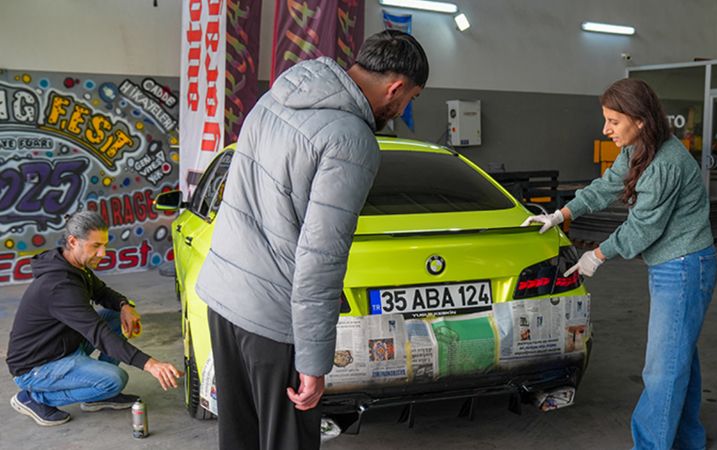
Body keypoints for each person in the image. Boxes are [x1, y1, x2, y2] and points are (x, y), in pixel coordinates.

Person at [195, 30, 428, 450]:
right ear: (396, 88)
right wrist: (314, 363)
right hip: (272, 317)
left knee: (239, 437)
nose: (402, 108)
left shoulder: (275, 98)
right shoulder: (351, 139)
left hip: (224, 302)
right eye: (410, 98)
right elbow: (321, 258)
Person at [523, 78, 717, 450]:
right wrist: (562, 213)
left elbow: (643, 228)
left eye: (613, 120)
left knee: (662, 368)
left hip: (684, 267)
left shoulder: (665, 163)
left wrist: (595, 256)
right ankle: (688, 440)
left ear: (640, 119)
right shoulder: (638, 149)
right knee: (679, 358)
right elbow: (607, 185)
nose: (605, 129)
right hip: (673, 264)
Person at [6, 211, 184, 427]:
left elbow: (101, 292)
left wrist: (124, 306)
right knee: (114, 379)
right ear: (73, 241)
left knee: (115, 316)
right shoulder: (59, 285)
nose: (102, 253)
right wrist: (151, 364)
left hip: (62, 345)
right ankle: (33, 398)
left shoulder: (73, 265)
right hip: (37, 366)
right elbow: (99, 334)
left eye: (104, 245)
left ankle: (96, 395)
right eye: (95, 246)